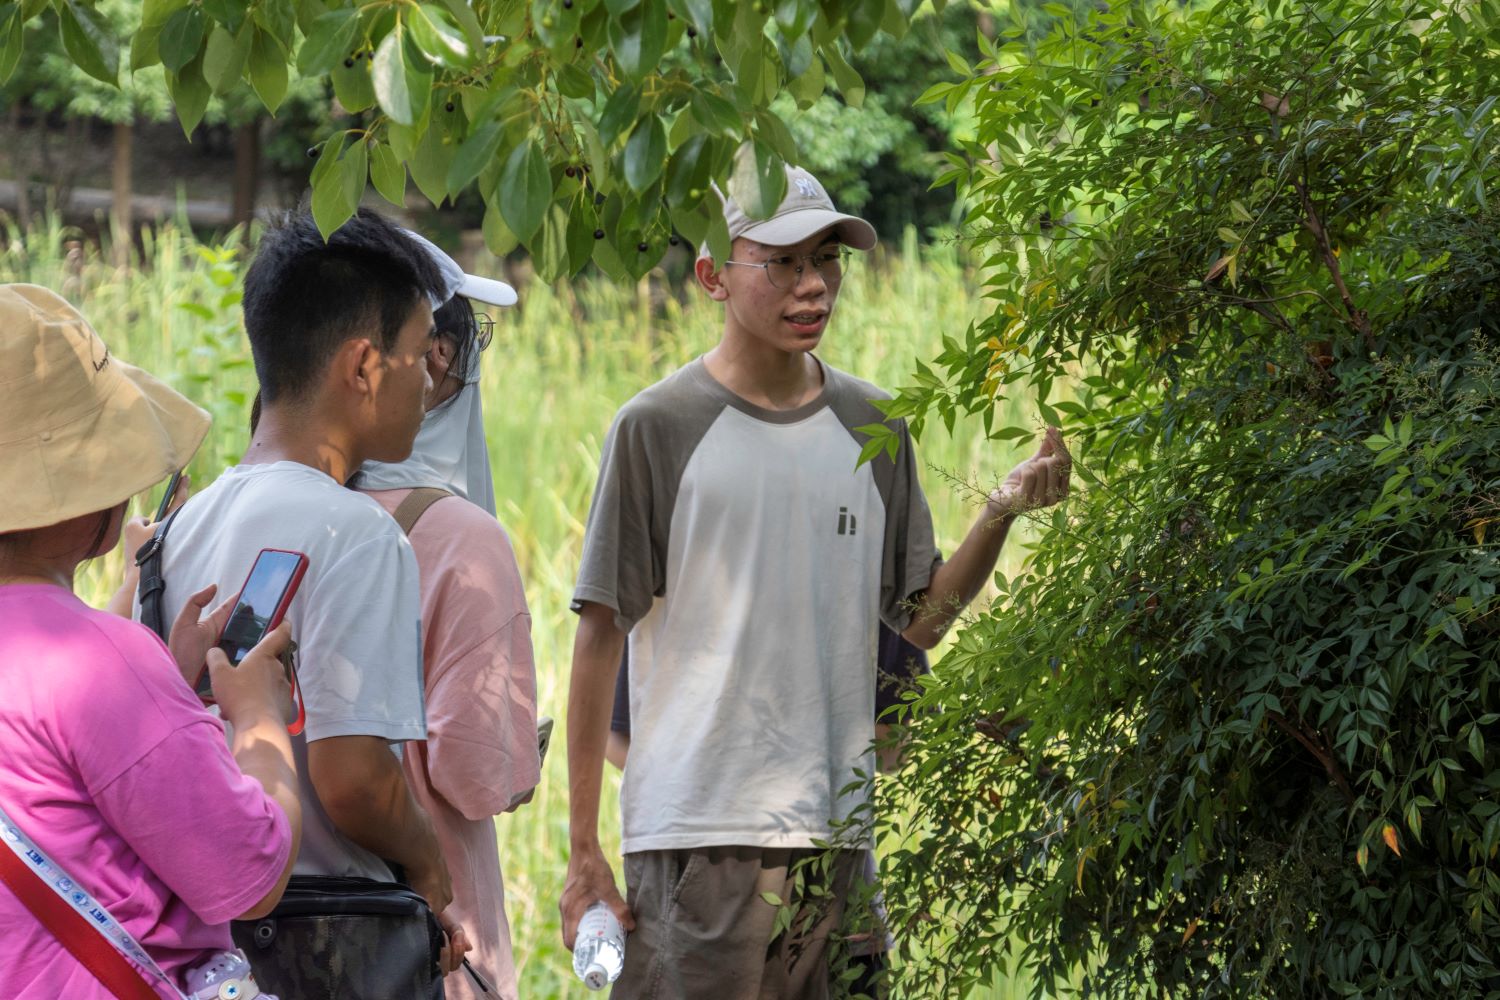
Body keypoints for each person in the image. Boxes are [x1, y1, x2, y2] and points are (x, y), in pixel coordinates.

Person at [561, 164, 1071, 998]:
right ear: (712, 277)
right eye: (784, 263)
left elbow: (918, 623)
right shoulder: (656, 427)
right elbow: (597, 637)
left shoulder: (873, 426)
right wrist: (585, 850)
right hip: (696, 840)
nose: (813, 286)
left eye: (828, 259)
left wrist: (1003, 509)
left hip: (840, 845)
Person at [133, 208, 469, 971]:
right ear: (362, 367)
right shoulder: (357, 533)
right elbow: (353, 778)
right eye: (420, 352)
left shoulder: (179, 528)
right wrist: (428, 865)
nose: (430, 377)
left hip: (203, 937)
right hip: (322, 942)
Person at [0, 283, 301, 997]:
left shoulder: (102, 667)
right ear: (86, 496)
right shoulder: (104, 665)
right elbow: (250, 876)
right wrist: (259, 719)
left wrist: (159, 682)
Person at [355, 237, 540, 1000]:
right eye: (469, 342)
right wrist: (518, 758)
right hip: (432, 941)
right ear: (433, 358)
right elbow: (473, 776)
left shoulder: (229, 519)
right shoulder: (461, 540)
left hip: (273, 942)